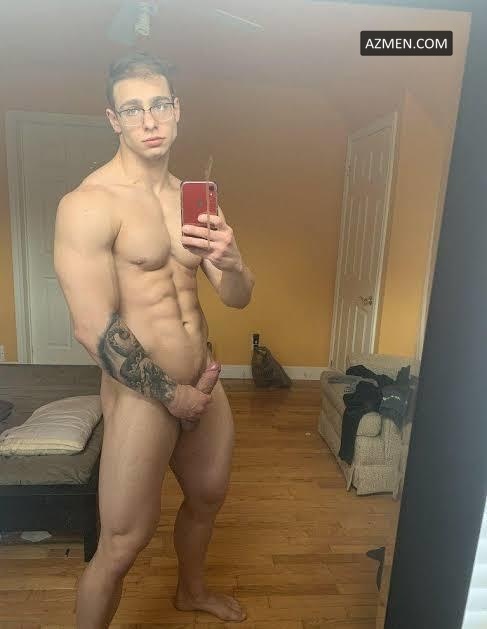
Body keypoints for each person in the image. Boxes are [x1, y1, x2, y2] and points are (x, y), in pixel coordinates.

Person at [53, 51, 255, 627]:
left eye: (159, 104)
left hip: (204, 381)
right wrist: (173, 395)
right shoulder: (88, 204)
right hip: (144, 391)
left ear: (177, 110)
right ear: (113, 120)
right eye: (133, 109)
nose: (149, 120)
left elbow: (236, 297)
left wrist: (234, 263)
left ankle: (191, 591)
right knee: (122, 541)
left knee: (207, 499)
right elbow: (93, 327)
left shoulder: (193, 198)